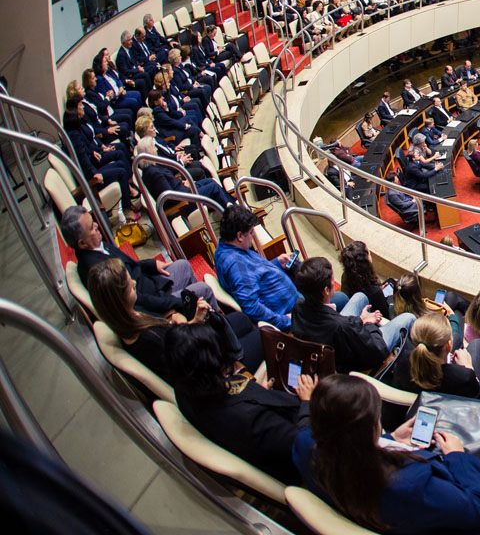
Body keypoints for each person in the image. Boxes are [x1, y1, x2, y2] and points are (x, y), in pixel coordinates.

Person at [292, 374, 480, 535]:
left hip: (380, 508)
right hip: (465, 518)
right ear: (370, 428)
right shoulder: (409, 482)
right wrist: (458, 457)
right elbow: (477, 511)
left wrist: (391, 440)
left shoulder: (305, 445)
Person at [167, 323, 313, 484]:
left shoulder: (184, 388)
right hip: (303, 451)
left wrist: (258, 392)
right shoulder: (252, 420)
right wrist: (307, 402)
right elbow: (303, 443)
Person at [87, 257, 264, 378]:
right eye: (129, 286)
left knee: (241, 319)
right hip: (213, 364)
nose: (134, 282)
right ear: (119, 298)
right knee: (264, 334)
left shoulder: (129, 318)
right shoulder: (148, 340)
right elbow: (192, 363)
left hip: (193, 342)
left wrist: (184, 324)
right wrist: (195, 323)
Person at [64, 205, 214, 314]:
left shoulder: (96, 245)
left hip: (150, 283)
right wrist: (181, 302)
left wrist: (152, 264)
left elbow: (130, 263)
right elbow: (136, 302)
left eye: (93, 222)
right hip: (154, 301)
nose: (97, 226)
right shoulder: (98, 270)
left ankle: (200, 316)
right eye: (91, 227)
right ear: (81, 243)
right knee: (203, 289)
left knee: (183, 266)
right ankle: (215, 323)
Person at [290, 257, 413, 375]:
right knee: (408, 318)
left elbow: (343, 325)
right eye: (332, 279)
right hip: (356, 357)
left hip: (339, 336)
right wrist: (368, 324)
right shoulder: (342, 326)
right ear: (326, 290)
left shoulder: (298, 307)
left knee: (360, 297)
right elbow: (376, 350)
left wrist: (359, 320)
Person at [213, 204, 303, 330]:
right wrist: (286, 321)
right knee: (339, 298)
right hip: (291, 313)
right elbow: (251, 307)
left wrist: (277, 262)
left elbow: (253, 275)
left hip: (293, 302)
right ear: (239, 236)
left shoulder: (226, 248)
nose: (254, 235)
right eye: (250, 232)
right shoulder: (235, 265)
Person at [385, 312, 480, 400]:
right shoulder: (464, 377)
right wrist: (469, 368)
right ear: (449, 346)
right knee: (479, 344)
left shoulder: (403, 361)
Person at [338, 241, 395, 317]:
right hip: (376, 315)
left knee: (391, 281)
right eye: (369, 253)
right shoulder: (375, 292)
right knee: (395, 285)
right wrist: (383, 294)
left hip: (363, 306)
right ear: (366, 261)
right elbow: (385, 315)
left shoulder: (345, 276)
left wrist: (380, 289)